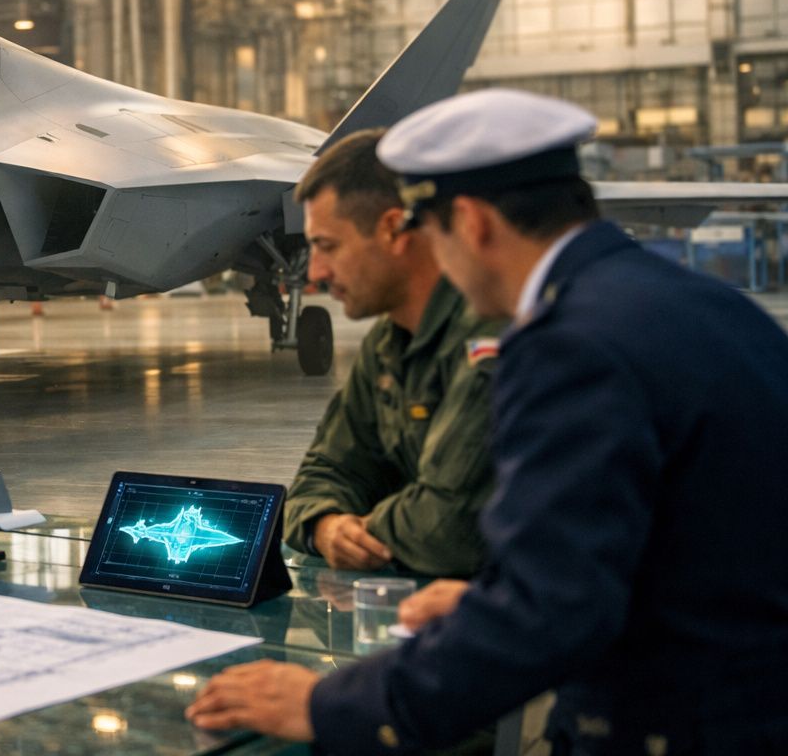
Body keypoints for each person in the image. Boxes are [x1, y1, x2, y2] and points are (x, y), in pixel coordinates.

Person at [187, 89, 788, 753]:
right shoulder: (693, 306)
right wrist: (490, 602)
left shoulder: (568, 346)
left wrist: (327, 703)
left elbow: (544, 614)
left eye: (432, 233)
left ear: (470, 223)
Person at [285, 129, 502, 579]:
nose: (317, 272)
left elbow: (449, 528)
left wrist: (364, 528)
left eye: (327, 246)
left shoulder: (492, 332)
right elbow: (323, 472)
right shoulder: (389, 341)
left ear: (391, 229)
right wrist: (326, 526)